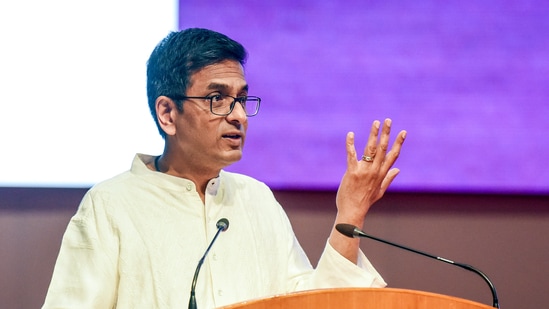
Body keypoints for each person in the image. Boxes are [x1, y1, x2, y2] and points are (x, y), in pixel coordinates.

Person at [43, 28, 406, 308]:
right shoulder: (111, 206)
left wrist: (351, 213)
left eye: (242, 99)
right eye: (218, 98)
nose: (237, 116)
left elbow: (310, 303)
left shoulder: (256, 200)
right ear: (168, 113)